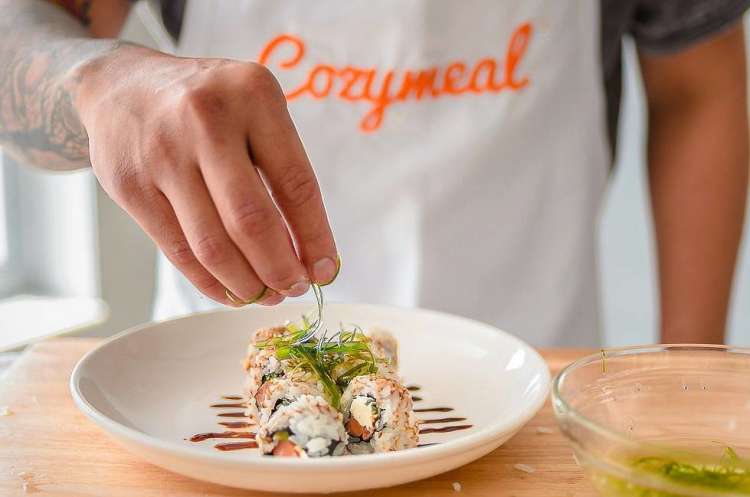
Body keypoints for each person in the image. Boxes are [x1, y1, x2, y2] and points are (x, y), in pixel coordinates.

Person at [1, 0, 748, 346]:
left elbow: (697, 86)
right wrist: (91, 84)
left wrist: (688, 370)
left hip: (536, 372)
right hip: (224, 393)